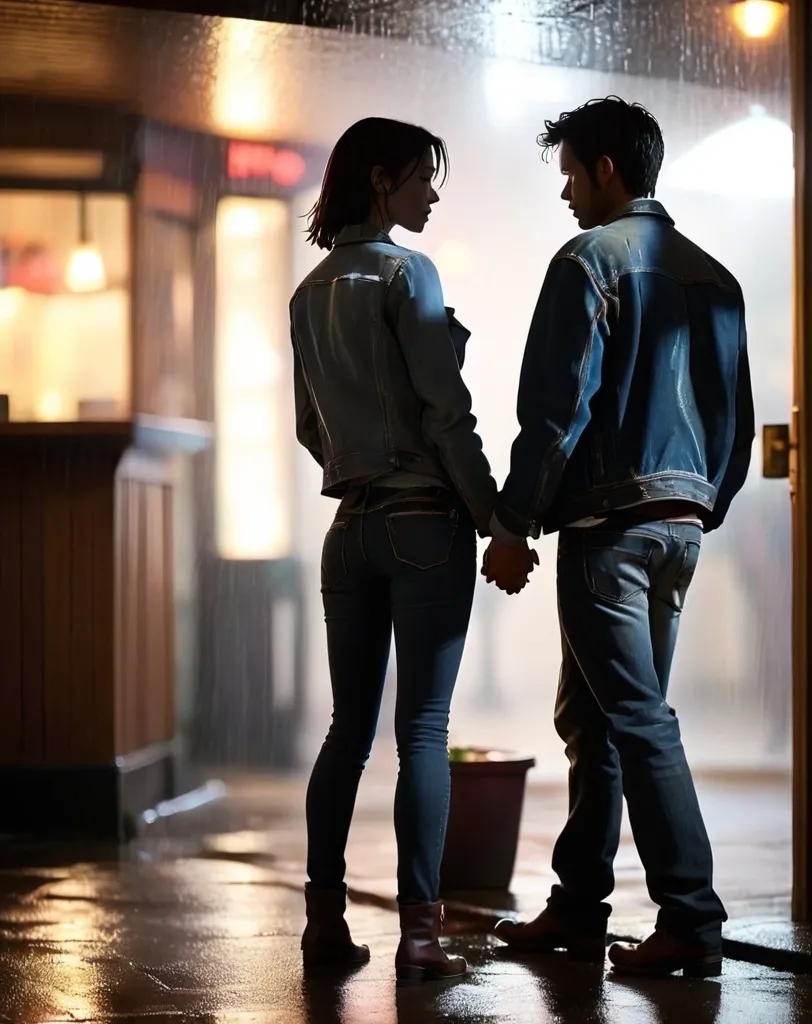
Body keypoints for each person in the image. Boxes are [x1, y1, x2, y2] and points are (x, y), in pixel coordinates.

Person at [483, 97, 755, 977]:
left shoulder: (587, 263)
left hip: (608, 529)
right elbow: (735, 424)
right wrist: (701, 507)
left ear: (606, 168)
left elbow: (556, 414)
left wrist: (515, 521)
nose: (564, 191)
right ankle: (576, 907)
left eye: (569, 171)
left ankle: (691, 918)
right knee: (597, 718)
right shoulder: (715, 277)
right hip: (680, 528)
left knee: (633, 720)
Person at [291, 117, 496, 984]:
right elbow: (446, 411)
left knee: (348, 731)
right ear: (381, 181)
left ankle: (324, 924)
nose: (431, 193)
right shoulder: (409, 273)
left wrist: (357, 466)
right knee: (423, 731)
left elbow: (309, 426)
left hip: (350, 533)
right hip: (424, 524)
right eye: (421, 176)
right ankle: (421, 938)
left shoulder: (307, 294)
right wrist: (495, 516)